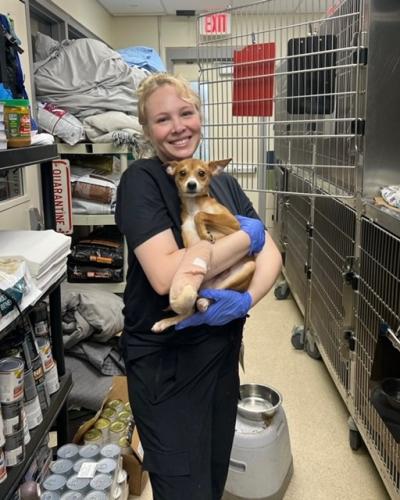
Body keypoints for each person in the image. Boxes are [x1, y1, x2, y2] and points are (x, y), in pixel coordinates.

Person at [116, 73, 282, 500]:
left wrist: (244, 297)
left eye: (186, 113)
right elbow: (167, 277)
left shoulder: (221, 181)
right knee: (182, 487)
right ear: (147, 129)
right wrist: (245, 238)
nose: (178, 126)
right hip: (167, 365)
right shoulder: (142, 181)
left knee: (212, 476)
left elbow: (272, 257)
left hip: (220, 356)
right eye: (162, 119)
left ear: (200, 116)